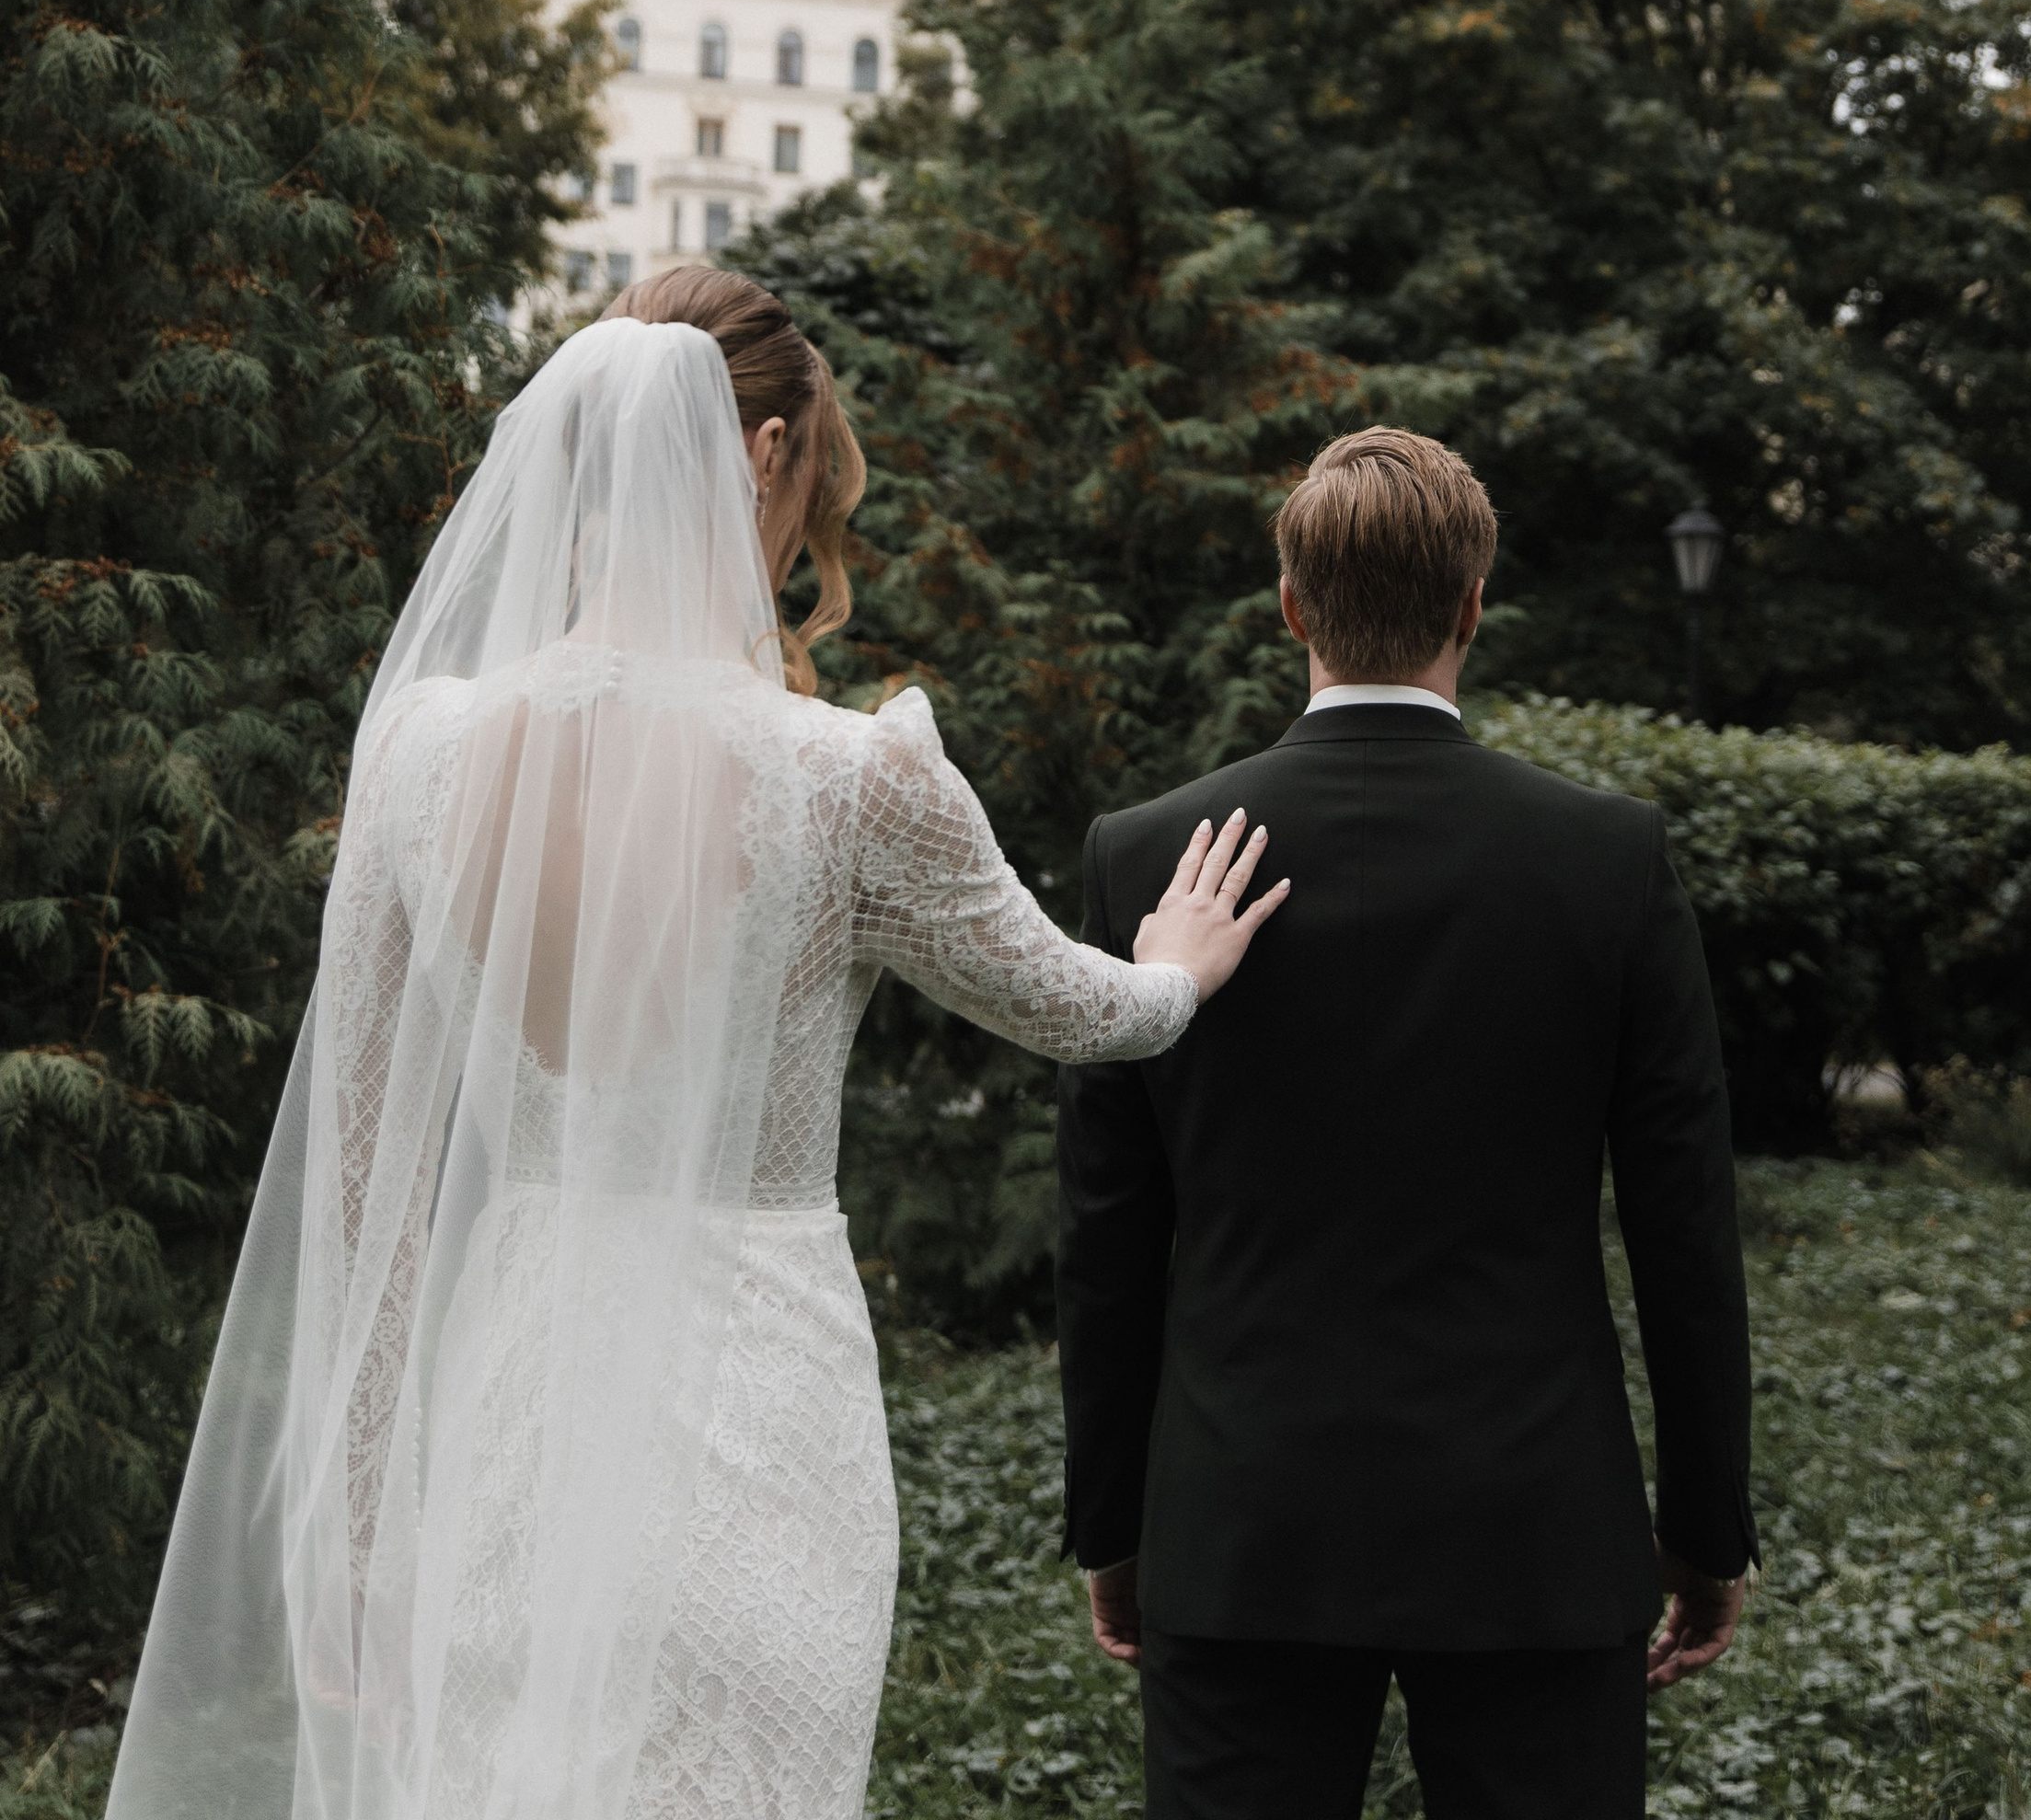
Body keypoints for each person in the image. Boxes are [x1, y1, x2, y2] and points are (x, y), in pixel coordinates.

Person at [112, 264, 1287, 1820]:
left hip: (512, 1425)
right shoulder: (854, 782)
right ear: (767, 451)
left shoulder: (421, 755)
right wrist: (1178, 974)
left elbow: (360, 1165)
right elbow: (1082, 1013)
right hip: (759, 1413)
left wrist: (362, 1524)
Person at [1056, 425, 1756, 1820]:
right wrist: (1704, 1528)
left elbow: (1106, 1238)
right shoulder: (1607, 861)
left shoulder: (1149, 858)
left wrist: (1115, 1525)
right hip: (1534, 1528)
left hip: (1242, 1528)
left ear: (1290, 606)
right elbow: (1685, 1227)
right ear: (1473, 605)